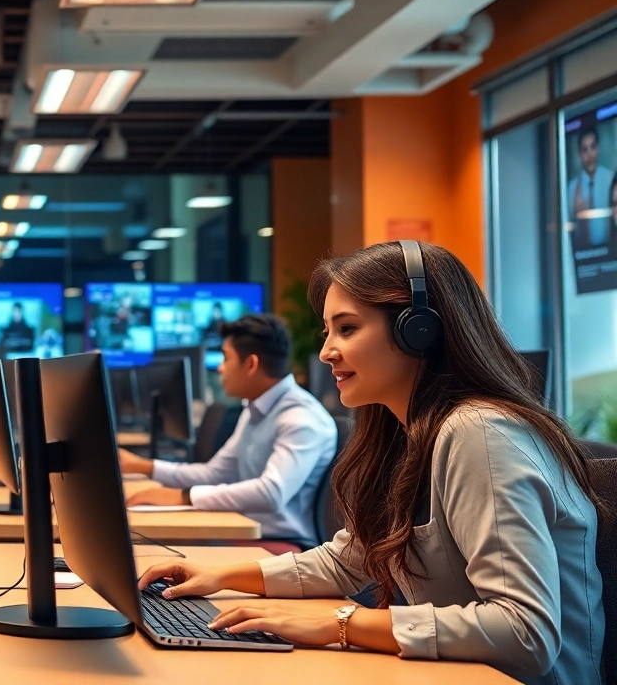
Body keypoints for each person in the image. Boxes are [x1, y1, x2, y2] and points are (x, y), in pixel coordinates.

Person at [137, 242, 605, 684]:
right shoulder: (405, 433)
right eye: (328, 331)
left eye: (347, 328)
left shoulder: (480, 433)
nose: (325, 352)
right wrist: (221, 575)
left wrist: (342, 622)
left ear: (418, 329)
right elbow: (349, 561)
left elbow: (525, 632)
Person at [119, 314, 336, 548]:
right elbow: (215, 473)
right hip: (243, 528)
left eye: (225, 357)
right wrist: (143, 466)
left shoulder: (301, 418)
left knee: (149, 548)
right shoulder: (254, 407)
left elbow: (271, 492)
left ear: (251, 364)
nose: (220, 368)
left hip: (280, 543)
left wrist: (183, 496)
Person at [569, 124, 614, 249]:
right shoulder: (572, 188)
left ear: (598, 148)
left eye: (593, 147)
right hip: (583, 254)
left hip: (610, 252)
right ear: (579, 154)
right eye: (584, 149)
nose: (590, 154)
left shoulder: (611, 179)